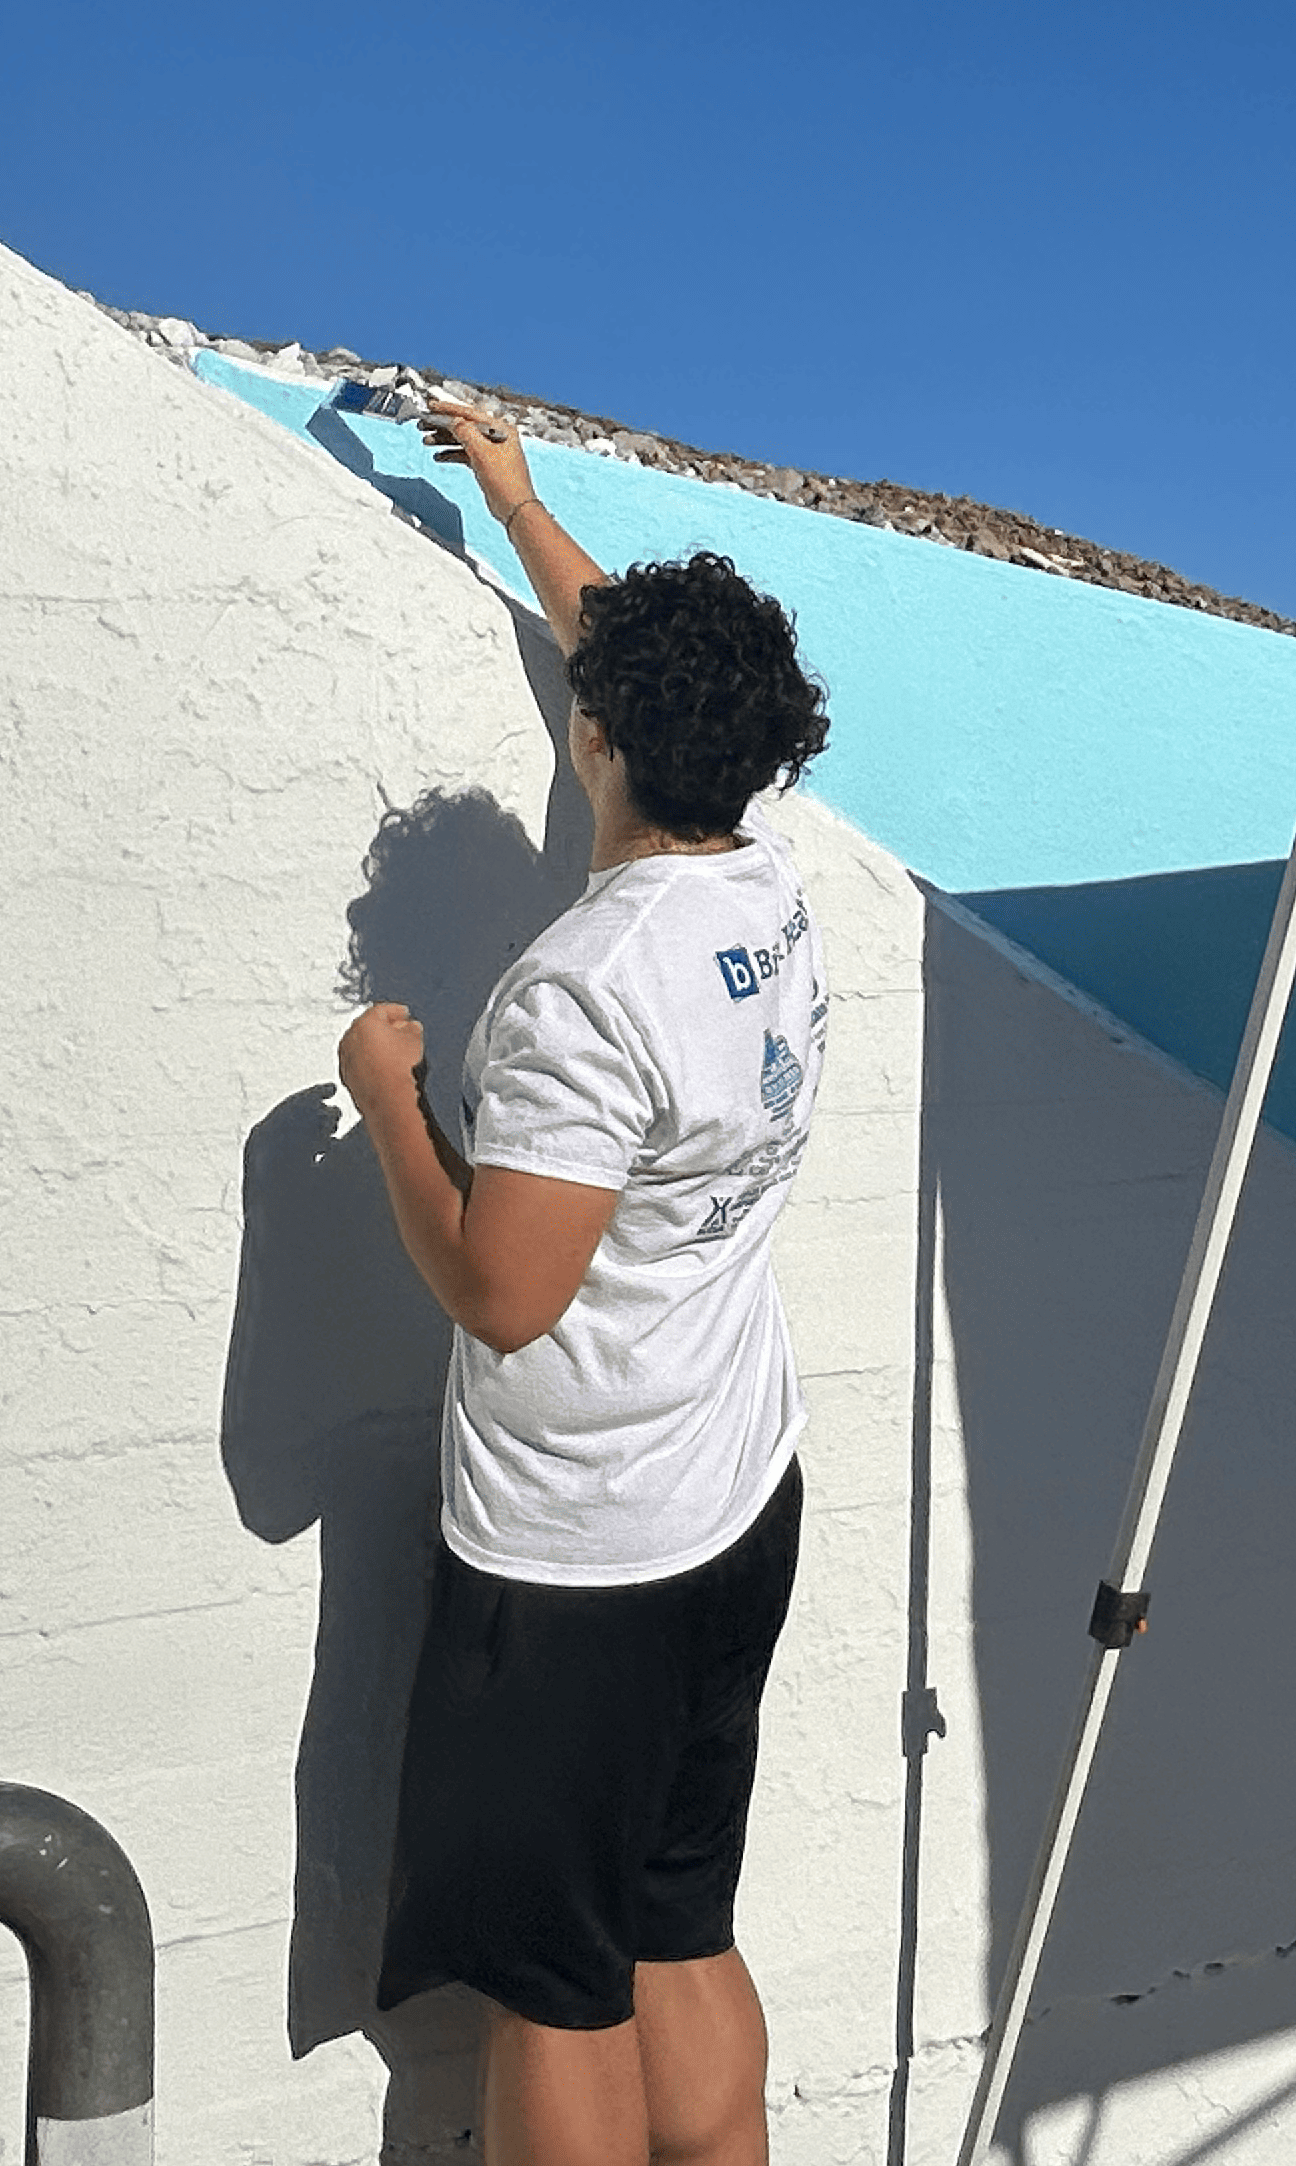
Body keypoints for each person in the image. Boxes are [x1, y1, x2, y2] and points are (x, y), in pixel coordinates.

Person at [338, 399, 834, 2166]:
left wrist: (392, 1100)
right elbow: (618, 647)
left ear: (598, 738)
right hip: (735, 1497)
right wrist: (520, 502)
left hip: (582, 1563)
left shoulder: (580, 990)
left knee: (557, 1987)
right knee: (682, 1923)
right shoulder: (770, 880)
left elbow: (503, 1290)